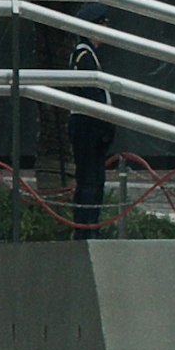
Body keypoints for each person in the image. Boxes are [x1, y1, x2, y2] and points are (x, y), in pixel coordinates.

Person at [63, 37, 117, 236]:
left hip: (88, 123)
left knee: (92, 178)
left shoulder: (86, 54)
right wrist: (104, 125)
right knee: (90, 179)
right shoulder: (84, 55)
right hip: (88, 123)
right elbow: (93, 93)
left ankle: (89, 226)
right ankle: (87, 227)